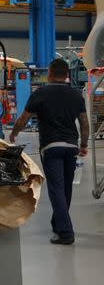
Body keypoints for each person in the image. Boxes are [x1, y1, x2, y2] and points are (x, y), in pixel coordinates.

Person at [9, 58, 89, 245]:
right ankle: (58, 223)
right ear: (67, 75)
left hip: (51, 147)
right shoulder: (75, 94)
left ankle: (66, 233)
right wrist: (83, 144)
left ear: (50, 74)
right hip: (71, 147)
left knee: (56, 189)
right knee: (66, 188)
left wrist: (14, 133)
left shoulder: (41, 93)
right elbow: (84, 124)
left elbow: (23, 119)